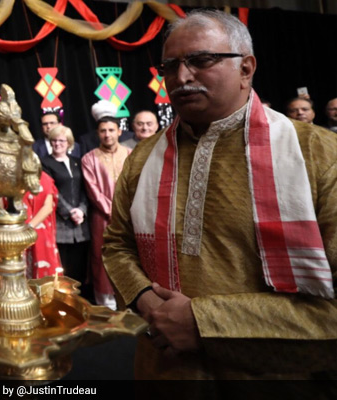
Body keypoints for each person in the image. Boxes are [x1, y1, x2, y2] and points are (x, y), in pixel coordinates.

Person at [103, 9, 337, 381]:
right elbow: (117, 245)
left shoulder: (319, 155)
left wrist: (205, 322)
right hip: (164, 373)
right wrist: (145, 300)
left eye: (201, 60)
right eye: (170, 66)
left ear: (246, 68)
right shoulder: (143, 159)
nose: (181, 77)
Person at [81, 116, 131, 309]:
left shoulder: (130, 154)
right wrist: (114, 212)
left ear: (119, 131)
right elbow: (94, 192)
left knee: (129, 255)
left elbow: (135, 186)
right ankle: (105, 305)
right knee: (101, 258)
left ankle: (129, 297)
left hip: (129, 217)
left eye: (111, 130)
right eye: (103, 131)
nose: (107, 134)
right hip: (102, 218)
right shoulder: (89, 158)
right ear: (98, 134)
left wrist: (126, 213)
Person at [41, 125, 89, 284]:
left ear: (69, 142)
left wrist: (82, 210)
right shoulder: (44, 163)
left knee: (81, 266)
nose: (57, 144)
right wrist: (70, 212)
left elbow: (84, 188)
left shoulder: (77, 161)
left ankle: (80, 301)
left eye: (61, 140)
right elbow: (51, 191)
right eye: (53, 140)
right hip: (60, 222)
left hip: (81, 224)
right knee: (64, 267)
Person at [23, 171, 61, 279]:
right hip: (14, 231)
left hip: (39, 229)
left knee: (43, 275)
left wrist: (29, 226)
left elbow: (48, 207)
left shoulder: (43, 177)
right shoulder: (7, 177)